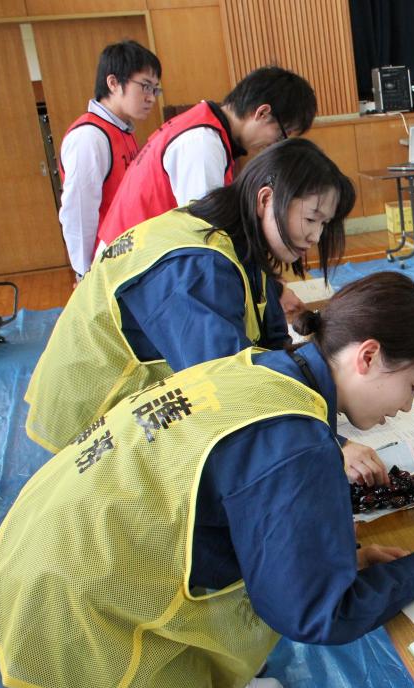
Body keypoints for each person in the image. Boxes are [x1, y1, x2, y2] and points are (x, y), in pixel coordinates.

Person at [0, 272, 414, 688]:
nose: (404, 409)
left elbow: (244, 512)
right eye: (410, 388)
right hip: (80, 611)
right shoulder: (297, 437)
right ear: (369, 356)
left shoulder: (262, 368)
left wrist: (342, 558)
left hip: (52, 546)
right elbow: (313, 611)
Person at [25, 137, 353, 456]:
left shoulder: (242, 246)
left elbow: (270, 346)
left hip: (135, 408)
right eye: (311, 219)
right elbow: (227, 386)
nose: (315, 236)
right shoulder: (198, 267)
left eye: (324, 224)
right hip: (90, 420)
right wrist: (328, 445)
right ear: (265, 199)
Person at [97, 65, 317, 250]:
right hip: (128, 265)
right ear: (262, 113)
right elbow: (207, 235)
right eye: (280, 135)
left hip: (135, 253)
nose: (274, 145)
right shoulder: (202, 143)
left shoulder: (208, 128)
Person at [57, 39, 161, 283]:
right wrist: (84, 274)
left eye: (155, 89)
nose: (151, 98)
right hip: (105, 267)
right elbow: (78, 212)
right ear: (113, 83)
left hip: (127, 258)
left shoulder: (123, 130)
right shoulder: (90, 136)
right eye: (145, 87)